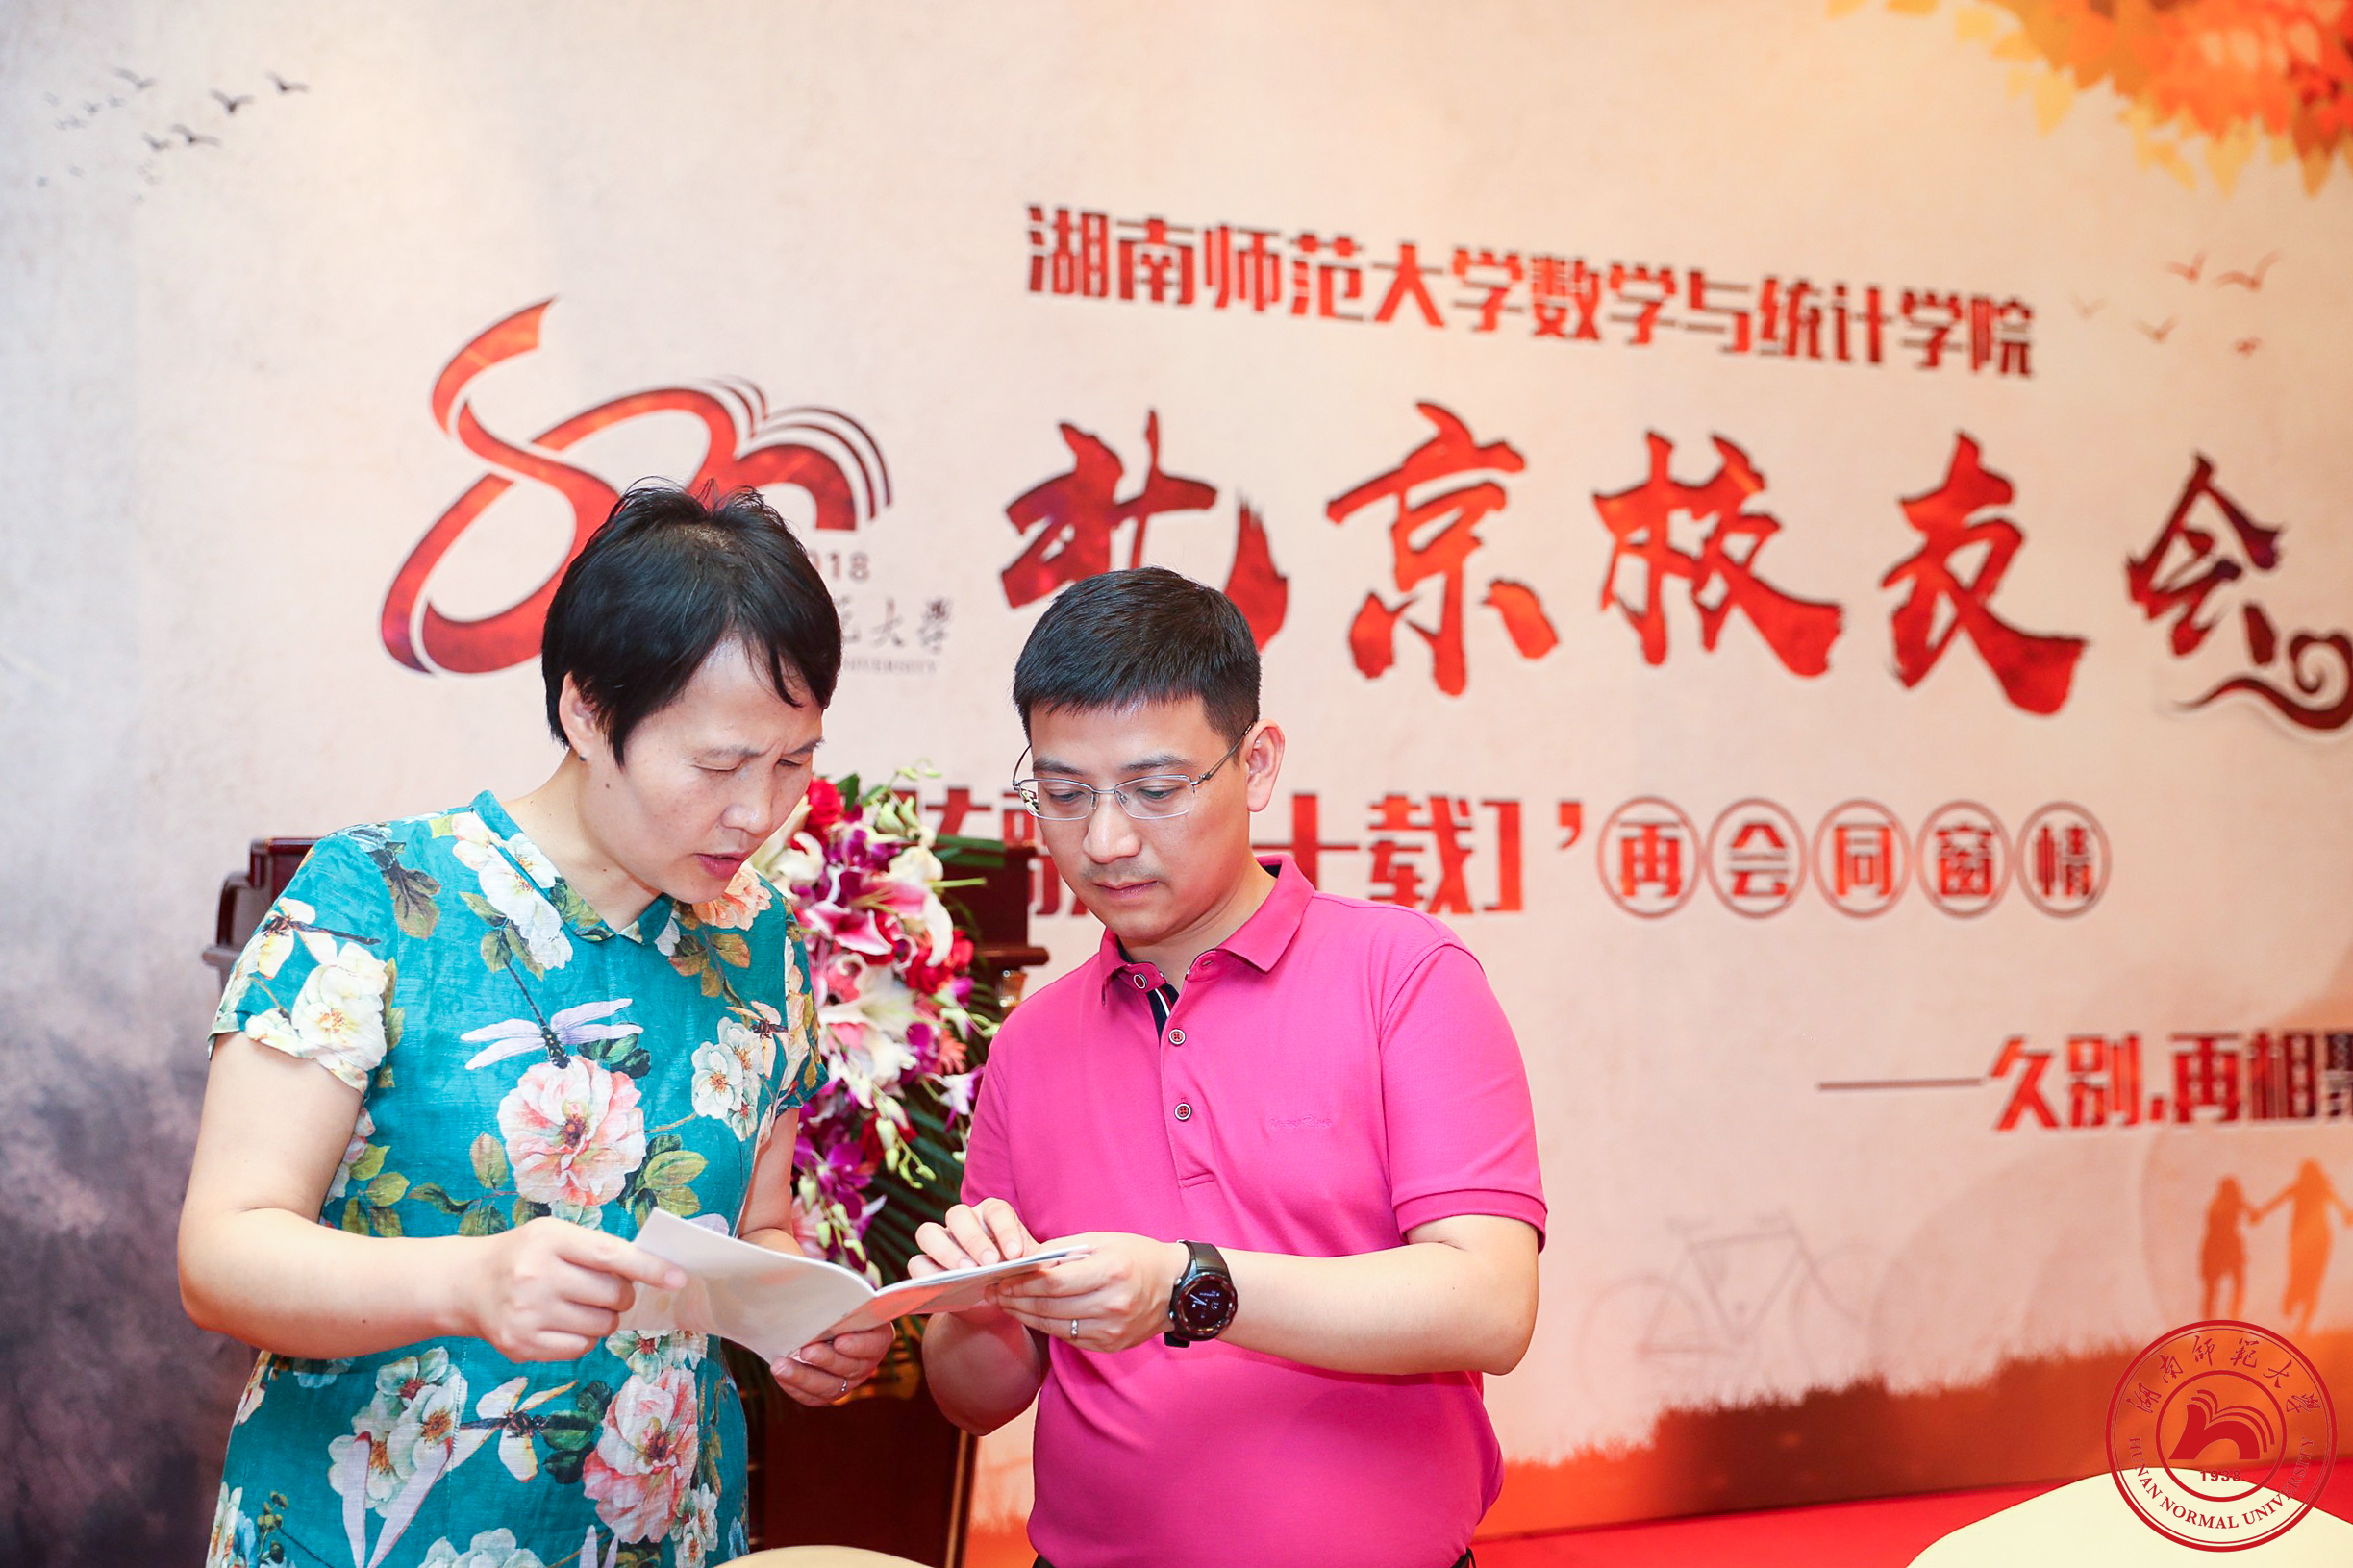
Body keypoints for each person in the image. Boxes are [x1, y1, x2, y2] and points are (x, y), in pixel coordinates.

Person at [179, 485, 895, 1568]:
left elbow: (758, 1223)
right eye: (718, 764)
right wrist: (464, 1283)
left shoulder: (759, 938)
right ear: (588, 712)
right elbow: (223, 1251)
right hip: (370, 1532)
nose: (758, 812)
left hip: (661, 1530)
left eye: (791, 761)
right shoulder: (378, 898)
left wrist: (802, 1314)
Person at [913, 567, 1546, 1568]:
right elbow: (975, 1399)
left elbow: (1489, 1303)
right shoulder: (1030, 1041)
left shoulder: (1403, 974)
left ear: (1254, 766)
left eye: (1155, 789)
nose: (1104, 839)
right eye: (1064, 793)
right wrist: (977, 1303)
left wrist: (1185, 1285)